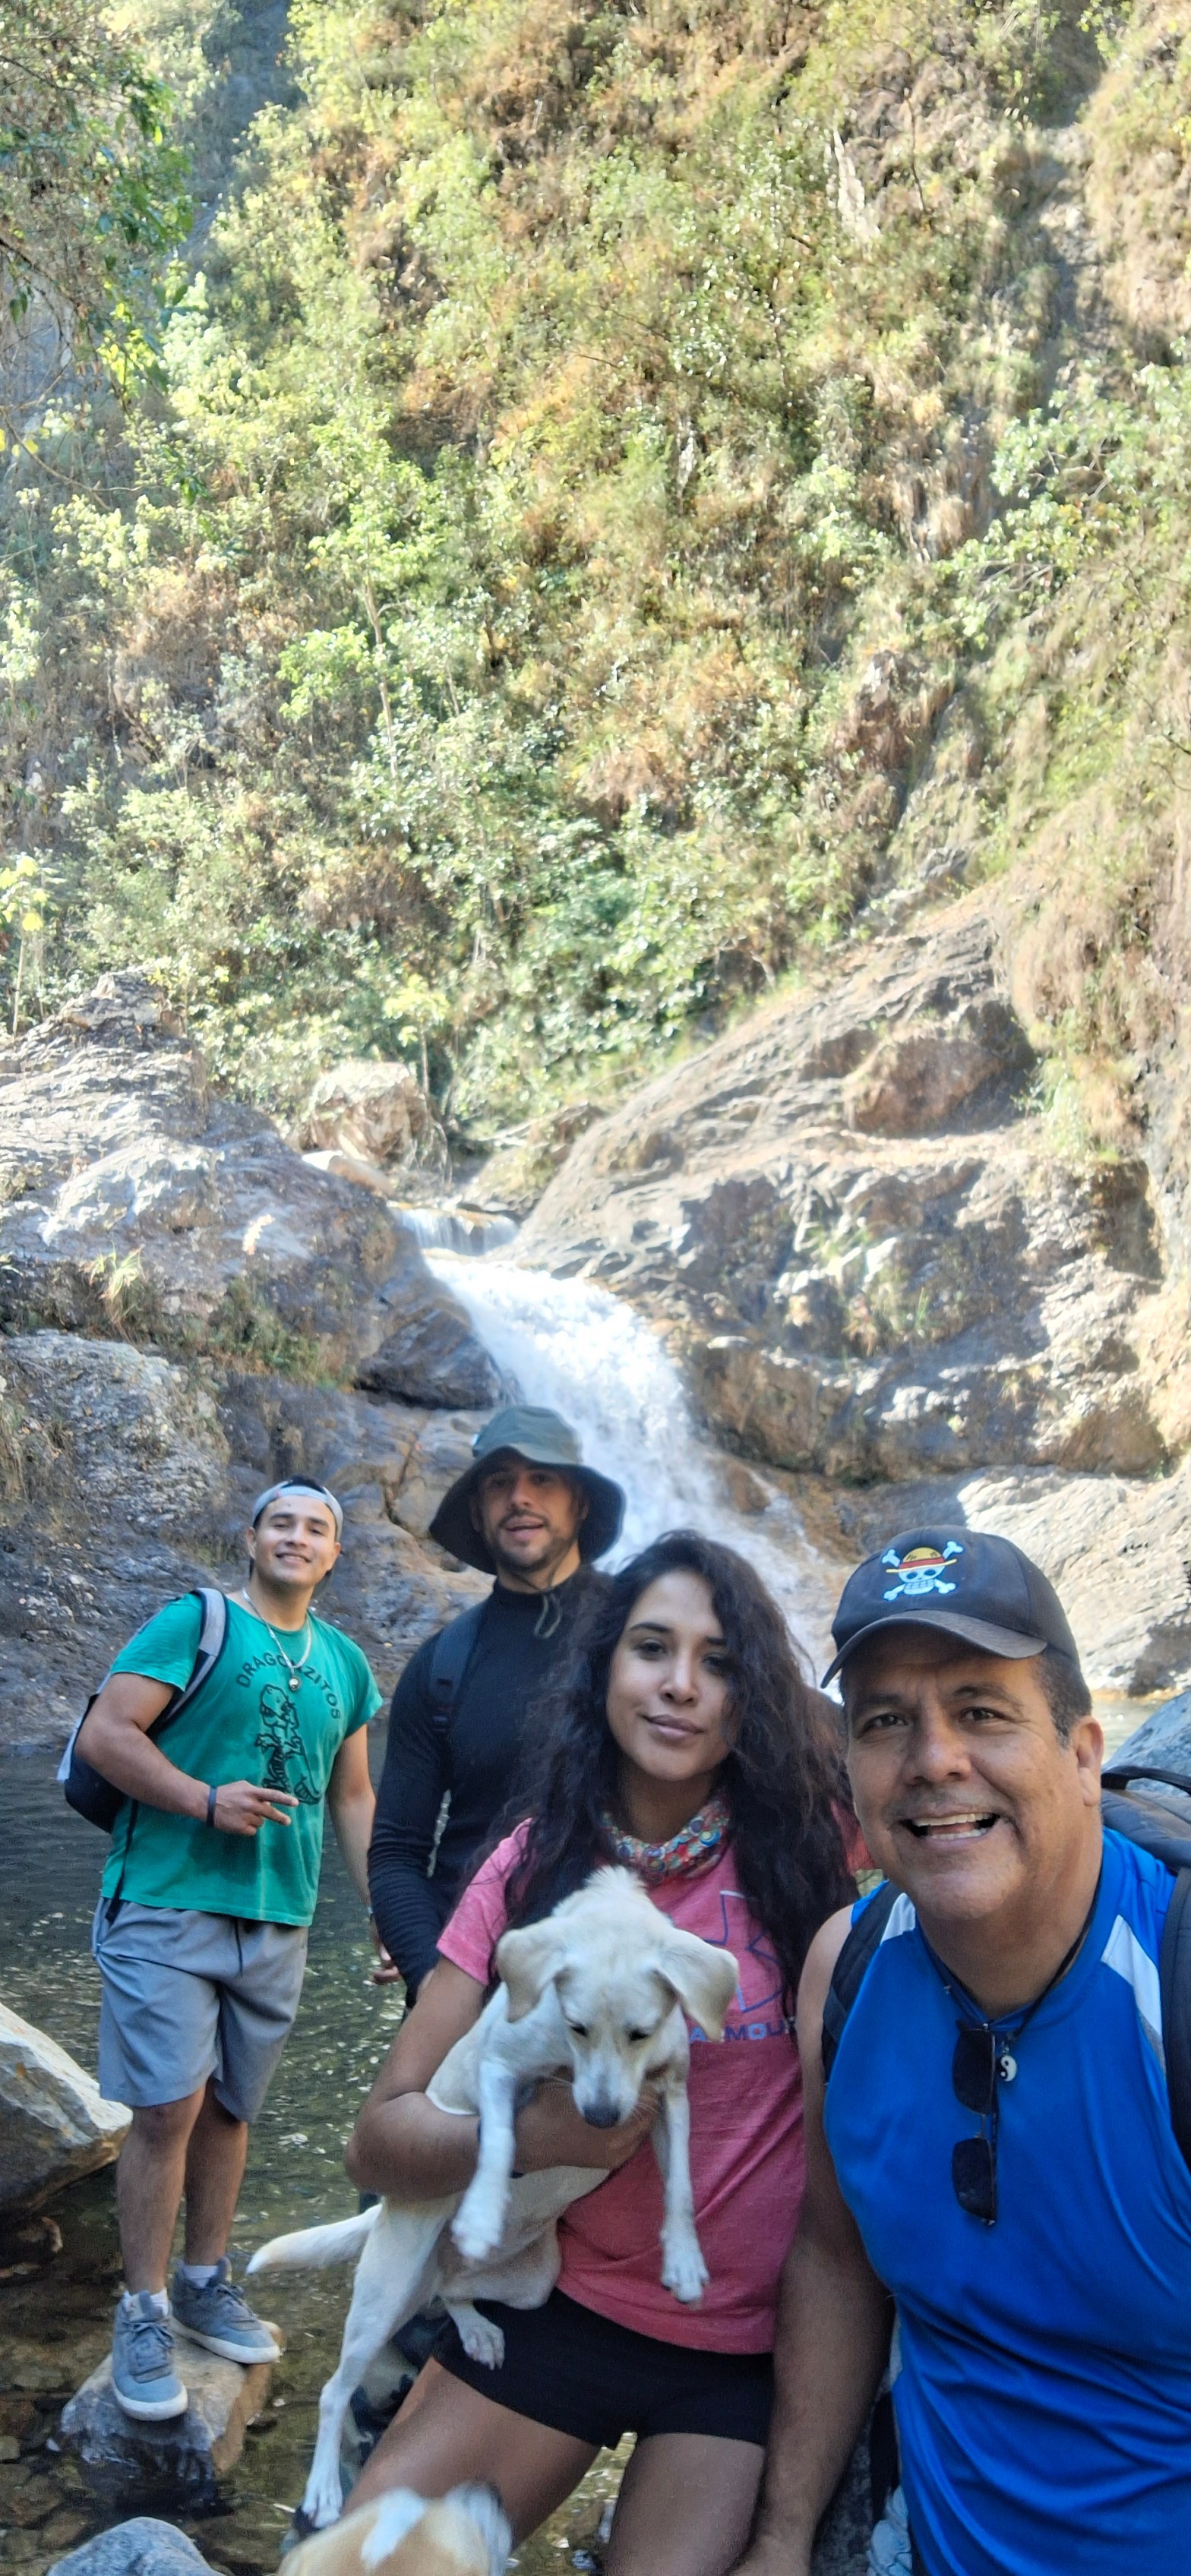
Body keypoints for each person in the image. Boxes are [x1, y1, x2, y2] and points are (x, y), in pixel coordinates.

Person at [343, 1530, 858, 2576]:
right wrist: (531, 2134)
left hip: (744, 2354)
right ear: (603, 1667)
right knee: (363, 2567)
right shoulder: (530, 1869)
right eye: (650, 1649)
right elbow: (379, 2142)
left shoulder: (819, 1848)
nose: (679, 1687)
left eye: (718, 1662)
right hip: (559, 2310)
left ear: (754, 1690)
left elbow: (965, 1824)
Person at [736, 1526, 1191, 2576]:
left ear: (1084, 1756)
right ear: (850, 1770)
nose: (934, 1760)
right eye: (887, 1721)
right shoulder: (843, 1970)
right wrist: (780, 2539)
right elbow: (836, 2258)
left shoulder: (1172, 1973)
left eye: (981, 1712)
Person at [77, 1479, 382, 2426]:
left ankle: (205, 2280)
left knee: (230, 2109)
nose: (297, 1536)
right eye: (282, 1520)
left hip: (278, 1915)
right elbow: (104, 1732)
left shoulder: (346, 1663)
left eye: (317, 1527)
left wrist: (389, 1918)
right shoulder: (194, 1621)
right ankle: (143, 2307)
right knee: (167, 2105)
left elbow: (355, 1799)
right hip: (167, 1897)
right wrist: (205, 1799)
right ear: (251, 1537)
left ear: (334, 1556)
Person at [368, 1406, 625, 1999]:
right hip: (467, 1980)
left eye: (543, 1479)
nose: (520, 1498)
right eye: (499, 1484)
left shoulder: (641, 1637)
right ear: (479, 1515)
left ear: (579, 1502)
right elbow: (398, 1851)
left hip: (611, 1991)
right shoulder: (441, 1665)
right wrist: (432, 1982)